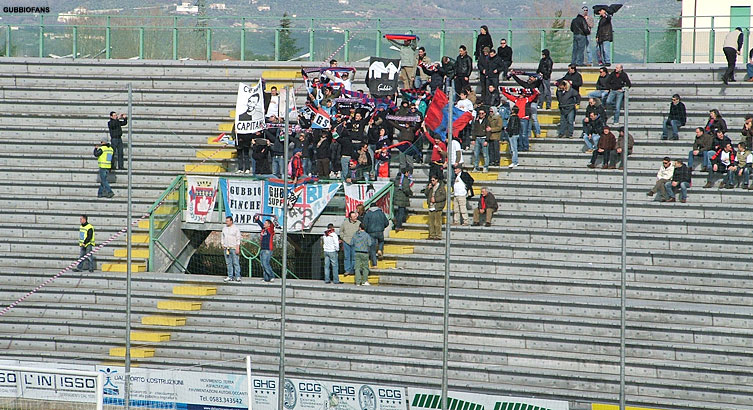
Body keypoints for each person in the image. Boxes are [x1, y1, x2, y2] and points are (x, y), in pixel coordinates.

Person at [500, 87, 539, 151]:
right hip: (517, 119)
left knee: (524, 134)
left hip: (524, 118)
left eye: (521, 94)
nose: (520, 96)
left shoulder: (527, 99)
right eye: (520, 94)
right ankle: (520, 147)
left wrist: (535, 91)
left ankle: (525, 147)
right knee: (519, 134)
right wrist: (503, 91)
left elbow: (534, 95)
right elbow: (508, 96)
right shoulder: (516, 99)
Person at [363, 203, 389, 267]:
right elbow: (386, 223)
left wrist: (366, 230)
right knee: (381, 241)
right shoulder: (381, 213)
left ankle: (374, 264)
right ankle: (380, 249)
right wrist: (382, 227)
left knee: (372, 248)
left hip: (371, 232)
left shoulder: (368, 214)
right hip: (380, 231)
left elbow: (365, 224)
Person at [423, 175, 446, 240]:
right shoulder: (431, 187)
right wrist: (428, 188)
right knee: (431, 222)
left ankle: (438, 235)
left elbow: (444, 196)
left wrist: (435, 199)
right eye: (431, 180)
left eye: (433, 180)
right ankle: (431, 235)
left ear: (436, 180)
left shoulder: (441, 187)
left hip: (437, 206)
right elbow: (426, 194)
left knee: (437, 222)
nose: (432, 182)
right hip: (431, 206)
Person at [254, 215, 275, 283]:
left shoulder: (270, 230)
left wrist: (273, 218)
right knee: (263, 264)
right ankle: (266, 278)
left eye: (266, 223)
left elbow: (272, 226)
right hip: (262, 249)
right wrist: (257, 220)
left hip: (268, 249)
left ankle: (271, 276)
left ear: (269, 225)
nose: (264, 224)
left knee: (266, 263)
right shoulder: (264, 230)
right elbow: (261, 224)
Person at [221, 216, 242, 283]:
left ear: (231, 221)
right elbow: (222, 237)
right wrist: (222, 244)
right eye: (226, 221)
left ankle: (237, 276)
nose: (226, 222)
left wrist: (237, 247)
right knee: (228, 263)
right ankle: (230, 276)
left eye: (228, 221)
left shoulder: (235, 229)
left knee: (235, 262)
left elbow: (238, 238)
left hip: (233, 248)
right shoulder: (224, 228)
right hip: (226, 248)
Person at [339, 211, 360, 276]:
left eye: (356, 216)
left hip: (355, 243)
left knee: (354, 257)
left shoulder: (359, 223)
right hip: (346, 242)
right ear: (350, 218)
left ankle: (352, 270)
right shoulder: (345, 223)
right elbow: (341, 231)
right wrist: (343, 238)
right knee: (346, 257)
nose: (355, 217)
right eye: (354, 217)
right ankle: (347, 270)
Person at [471, 107, 491, 172]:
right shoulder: (476, 121)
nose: (481, 115)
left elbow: (488, 131)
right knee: (476, 153)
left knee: (485, 154)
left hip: (484, 138)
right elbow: (474, 130)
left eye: (482, 113)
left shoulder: (487, 121)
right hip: (477, 138)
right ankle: (476, 167)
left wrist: (486, 140)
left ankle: (485, 167)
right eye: (480, 113)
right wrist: (473, 139)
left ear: (485, 114)